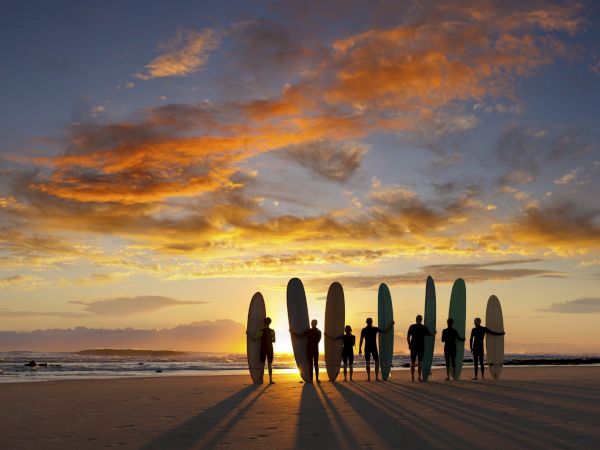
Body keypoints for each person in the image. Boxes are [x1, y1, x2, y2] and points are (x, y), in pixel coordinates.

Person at [359, 317, 394, 381]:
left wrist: (359, 348)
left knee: (367, 363)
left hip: (367, 347)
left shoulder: (364, 330)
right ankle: (376, 377)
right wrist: (391, 325)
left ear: (366, 322)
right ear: (371, 322)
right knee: (376, 362)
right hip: (373, 347)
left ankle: (369, 378)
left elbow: (361, 340)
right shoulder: (374, 329)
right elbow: (384, 331)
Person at [406, 315, 433, 382]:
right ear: (421, 320)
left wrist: (409, 344)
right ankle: (419, 377)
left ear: (416, 319)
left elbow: (408, 336)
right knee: (420, 362)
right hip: (421, 346)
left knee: (412, 362)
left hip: (413, 346)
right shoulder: (424, 327)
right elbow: (430, 334)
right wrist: (434, 333)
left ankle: (412, 378)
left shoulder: (412, 326)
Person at [256, 317, 276, 384]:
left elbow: (255, 338)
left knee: (262, 365)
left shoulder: (260, 331)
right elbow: (274, 341)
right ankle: (270, 380)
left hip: (263, 349)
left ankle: (261, 380)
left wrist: (248, 334)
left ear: (264, 323)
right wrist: (269, 340)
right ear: (270, 323)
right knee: (270, 365)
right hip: (270, 349)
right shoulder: (272, 331)